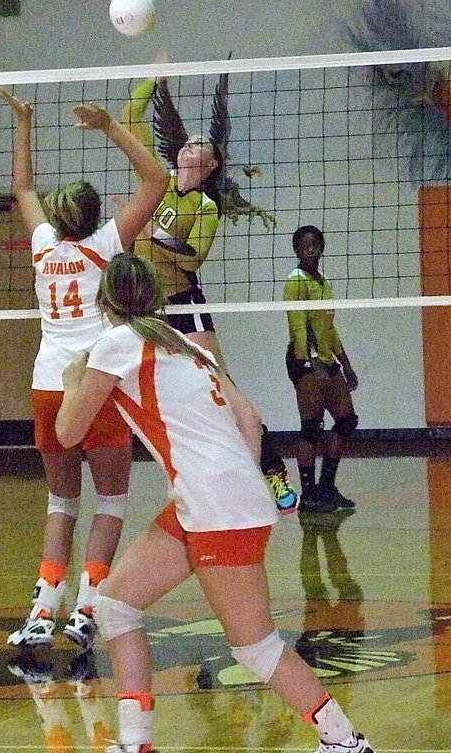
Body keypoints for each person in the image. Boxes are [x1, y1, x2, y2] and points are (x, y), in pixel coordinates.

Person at [55, 252, 374, 753]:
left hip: (218, 508)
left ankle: (345, 742)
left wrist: (73, 380)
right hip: (210, 500)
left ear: (104, 301)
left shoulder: (115, 345)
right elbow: (251, 420)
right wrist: (232, 482)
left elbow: (67, 431)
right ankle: (136, 741)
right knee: (115, 605)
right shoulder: (185, 343)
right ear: (157, 297)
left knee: (254, 647)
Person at [0, 86, 169, 649]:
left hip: (48, 384)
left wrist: (24, 120)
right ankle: (88, 608)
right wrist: (112, 128)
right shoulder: (108, 243)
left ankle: (44, 609)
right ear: (94, 217)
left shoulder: (44, 246)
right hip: (96, 388)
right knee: (111, 500)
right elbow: (157, 181)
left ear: (59, 217)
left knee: (60, 501)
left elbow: (22, 186)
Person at [122, 72, 298, 514]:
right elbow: (128, 118)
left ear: (213, 164)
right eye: (188, 142)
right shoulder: (156, 183)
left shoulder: (205, 206)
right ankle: (194, 482)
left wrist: (149, 232)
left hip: (184, 305)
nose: (189, 145)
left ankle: (272, 470)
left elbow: (191, 258)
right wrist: (154, 78)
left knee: (221, 387)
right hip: (146, 309)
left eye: (201, 144)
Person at [284, 225, 359, 513]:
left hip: (328, 360)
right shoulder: (296, 281)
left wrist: (347, 365)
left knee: (346, 421)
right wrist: (311, 363)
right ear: (297, 250)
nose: (311, 249)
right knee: (311, 427)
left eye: (315, 244)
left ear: (322, 247)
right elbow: (298, 325)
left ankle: (327, 487)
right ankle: (309, 494)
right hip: (304, 361)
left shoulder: (325, 282)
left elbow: (329, 327)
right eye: (305, 245)